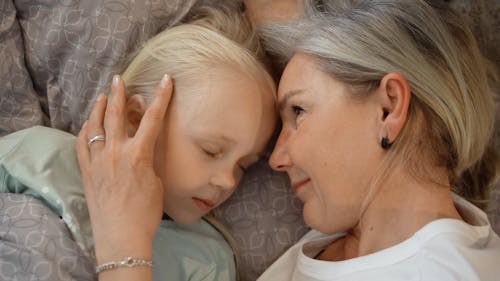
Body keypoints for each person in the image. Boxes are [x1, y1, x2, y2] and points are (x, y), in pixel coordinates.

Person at [75, 0, 500, 280]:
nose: (275, 160)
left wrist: (123, 250)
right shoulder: (355, 240)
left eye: (298, 112)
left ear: (388, 109)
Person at [0, 6, 277, 281]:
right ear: (135, 119)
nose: (228, 181)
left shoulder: (208, 260)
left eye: (244, 166)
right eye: (211, 150)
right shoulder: (38, 156)